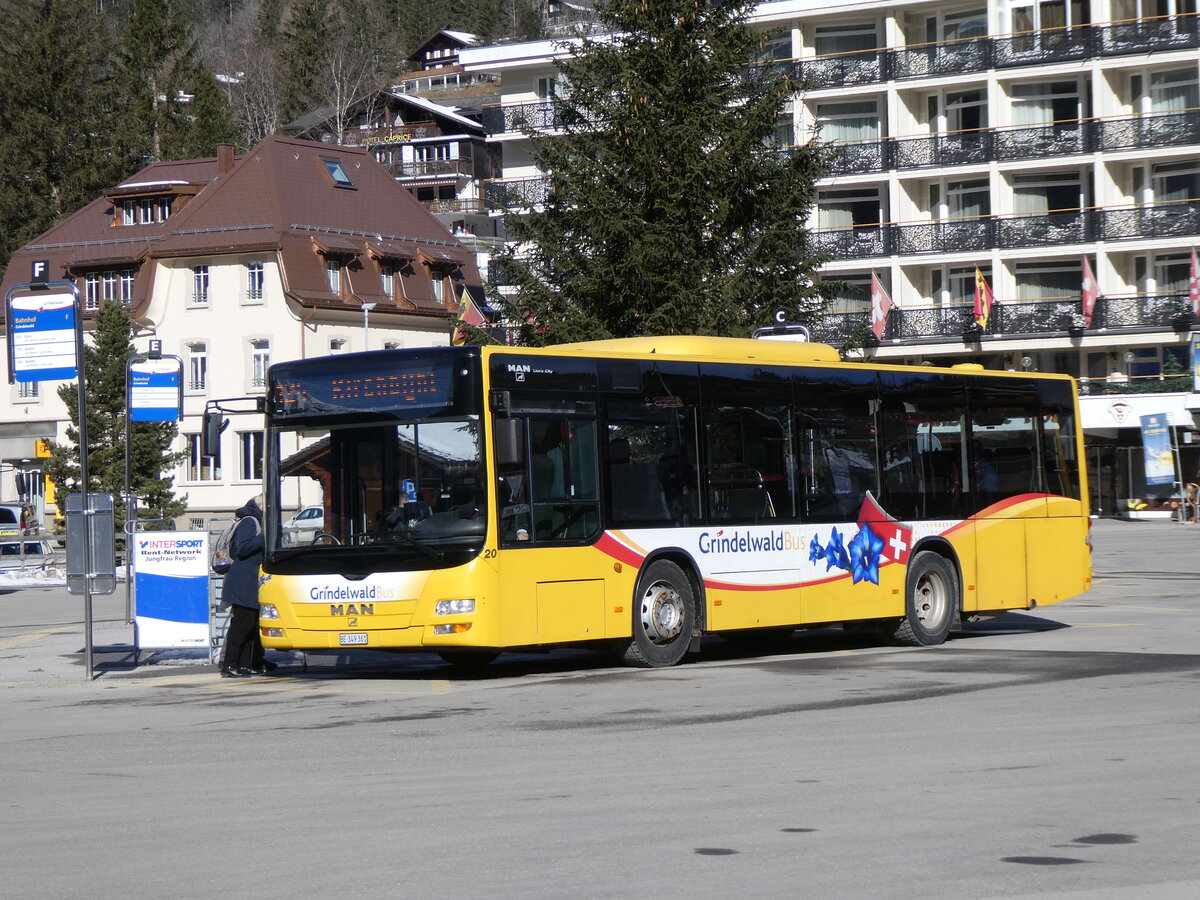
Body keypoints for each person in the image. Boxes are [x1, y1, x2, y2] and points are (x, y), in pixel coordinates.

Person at [220, 494, 273, 677]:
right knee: (242, 625)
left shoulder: (259, 521)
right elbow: (242, 548)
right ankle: (229, 664)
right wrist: (265, 537)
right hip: (243, 582)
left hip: (252, 581)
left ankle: (245, 664)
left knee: (252, 625)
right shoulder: (250, 521)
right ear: (262, 505)